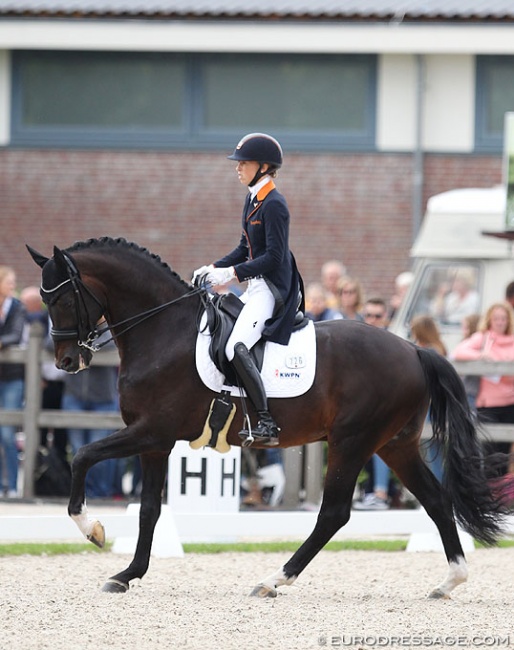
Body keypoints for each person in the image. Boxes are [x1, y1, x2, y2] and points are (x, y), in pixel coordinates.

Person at [192, 133, 304, 446]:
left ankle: (267, 422)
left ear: (265, 166)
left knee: (235, 345)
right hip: (254, 285)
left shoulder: (274, 204)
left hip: (271, 288)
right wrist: (214, 267)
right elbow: (245, 247)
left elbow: (273, 257)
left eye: (244, 163)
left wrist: (232, 273)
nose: (238, 168)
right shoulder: (253, 198)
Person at [452, 302, 514, 477]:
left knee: (505, 451)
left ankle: (501, 493)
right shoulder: (483, 337)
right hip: (488, 403)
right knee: (488, 449)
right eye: (496, 318)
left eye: (503, 318)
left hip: (510, 402)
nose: (500, 322)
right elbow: (459, 351)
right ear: (489, 320)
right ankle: (488, 493)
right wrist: (480, 356)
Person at [62, 326, 121, 498]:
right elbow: (51, 343)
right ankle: (83, 492)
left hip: (103, 397)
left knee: (99, 451)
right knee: (76, 449)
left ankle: (100, 493)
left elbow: (112, 344)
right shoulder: (70, 323)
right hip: (74, 395)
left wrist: (80, 343)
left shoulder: (107, 327)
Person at [354, 296, 393, 510]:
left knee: (380, 443)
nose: (372, 320)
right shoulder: (355, 342)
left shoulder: (391, 345)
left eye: (377, 316)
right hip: (359, 409)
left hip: (385, 411)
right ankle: (367, 492)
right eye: (368, 315)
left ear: (384, 318)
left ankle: (380, 493)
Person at [410, 314, 447, 482]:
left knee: (432, 449)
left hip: (431, 405)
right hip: (436, 403)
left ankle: (438, 483)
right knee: (434, 449)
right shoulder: (440, 348)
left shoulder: (429, 351)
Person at [0, 266, 26, 497]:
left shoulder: (17, 307)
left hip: (11, 377)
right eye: (9, 281)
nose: (12, 285)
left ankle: (13, 487)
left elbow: (15, 335)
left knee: (8, 434)